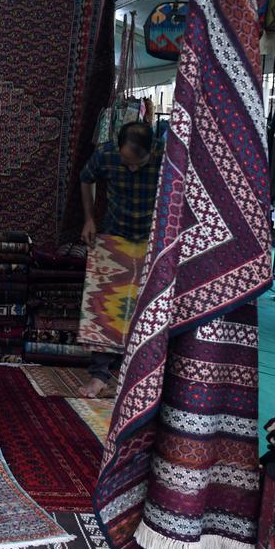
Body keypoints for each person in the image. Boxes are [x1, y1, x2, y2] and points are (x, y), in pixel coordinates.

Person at [76, 121, 164, 398]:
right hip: (115, 235)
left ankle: (139, 374)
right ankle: (99, 376)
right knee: (106, 307)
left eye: (139, 162)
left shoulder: (167, 156)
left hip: (155, 241)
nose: (133, 168)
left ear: (151, 151)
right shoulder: (106, 154)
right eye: (128, 162)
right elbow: (86, 177)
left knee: (148, 309)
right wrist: (90, 219)